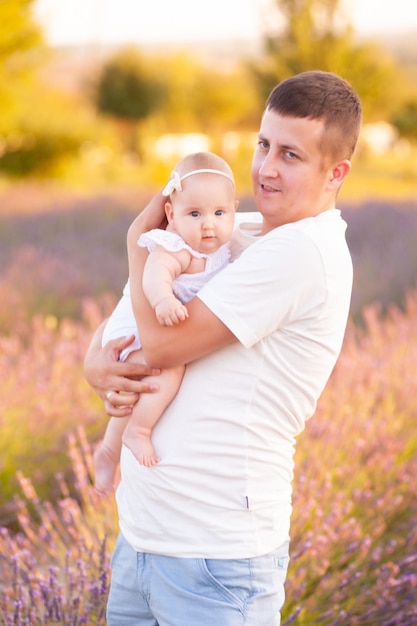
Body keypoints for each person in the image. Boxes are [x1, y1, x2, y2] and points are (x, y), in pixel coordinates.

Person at [84, 71, 362, 625]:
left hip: (215, 561)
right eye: (263, 144)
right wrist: (96, 361)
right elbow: (131, 313)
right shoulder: (237, 229)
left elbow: (160, 344)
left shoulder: (303, 253)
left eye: (291, 155)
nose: (265, 168)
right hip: (145, 540)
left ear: (336, 173)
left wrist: (139, 247)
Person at [94, 151, 238, 495]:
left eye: (219, 213)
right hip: (137, 328)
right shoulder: (176, 247)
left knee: (132, 391)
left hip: (149, 329)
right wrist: (163, 300)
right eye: (195, 213)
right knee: (168, 368)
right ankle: (137, 432)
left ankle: (108, 451)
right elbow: (154, 274)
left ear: (233, 209)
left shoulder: (218, 247)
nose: (208, 224)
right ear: (171, 215)